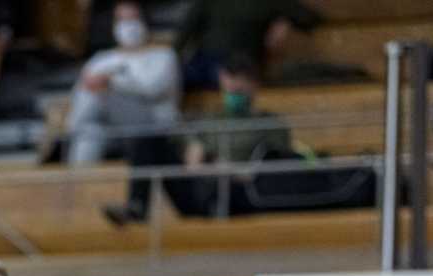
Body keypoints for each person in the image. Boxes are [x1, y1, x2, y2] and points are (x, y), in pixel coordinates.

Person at [101, 56, 290, 225]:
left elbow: (276, 167)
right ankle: (137, 207)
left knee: (223, 183)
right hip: (198, 188)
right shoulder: (210, 118)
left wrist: (231, 170)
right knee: (149, 141)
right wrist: (192, 145)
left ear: (253, 86)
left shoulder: (269, 123)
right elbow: (180, 137)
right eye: (228, 90)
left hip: (238, 191)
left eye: (238, 91)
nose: (232, 95)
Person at [65, 1, 181, 166]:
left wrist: (111, 81)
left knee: (98, 94)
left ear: (144, 22)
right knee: (89, 133)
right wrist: (104, 82)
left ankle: (69, 132)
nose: (128, 26)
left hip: (152, 124)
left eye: (133, 19)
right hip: (109, 128)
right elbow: (82, 88)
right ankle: (78, 179)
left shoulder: (163, 55)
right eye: (122, 20)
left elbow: (152, 87)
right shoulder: (101, 59)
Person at [175, 0, 319, 90]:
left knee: (235, 79)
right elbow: (185, 33)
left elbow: (309, 18)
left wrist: (284, 21)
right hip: (207, 62)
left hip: (241, 65)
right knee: (175, 78)